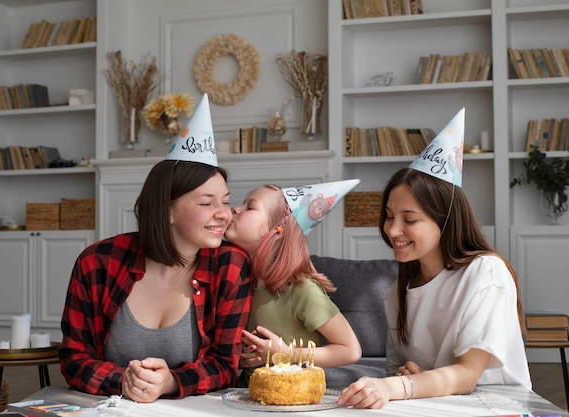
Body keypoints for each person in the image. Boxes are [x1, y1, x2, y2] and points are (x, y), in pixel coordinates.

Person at [58, 94, 253, 402]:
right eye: (206, 203)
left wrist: (170, 382)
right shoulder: (97, 262)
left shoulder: (231, 266)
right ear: (167, 210)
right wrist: (124, 380)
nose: (224, 214)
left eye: (226, 201)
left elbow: (224, 364)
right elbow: (74, 358)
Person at [338, 108, 531, 409]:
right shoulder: (398, 292)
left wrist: (399, 384)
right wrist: (409, 378)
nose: (393, 230)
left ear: (446, 220)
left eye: (409, 220)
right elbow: (401, 373)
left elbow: (467, 374)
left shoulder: (486, 274)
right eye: (389, 217)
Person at [224, 180, 363, 386]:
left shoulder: (302, 290)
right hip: (247, 394)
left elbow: (350, 350)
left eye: (250, 207)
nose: (235, 208)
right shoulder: (237, 282)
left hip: (296, 397)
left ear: (275, 230)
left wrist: (286, 353)